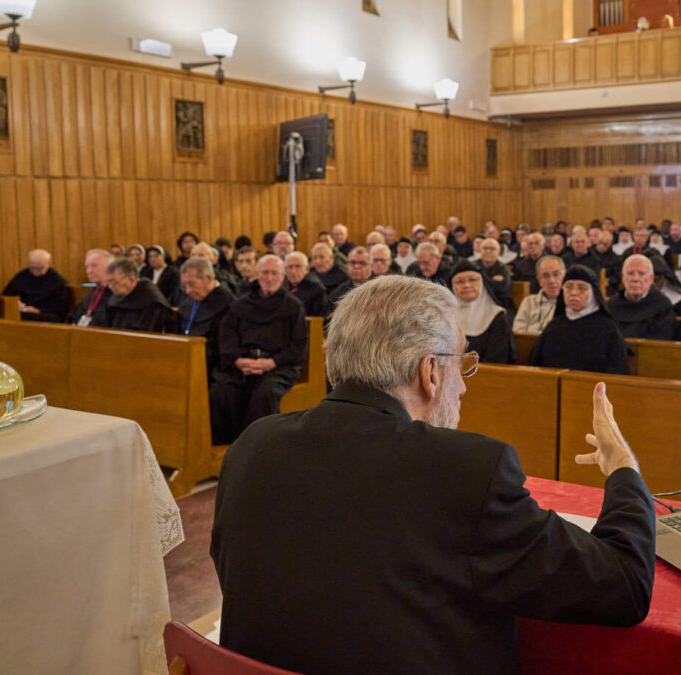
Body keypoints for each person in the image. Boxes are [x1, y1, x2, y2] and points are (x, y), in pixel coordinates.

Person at [211, 274, 654, 674]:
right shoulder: (467, 470)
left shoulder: (252, 445)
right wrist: (622, 469)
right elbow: (625, 584)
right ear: (429, 372)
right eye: (460, 364)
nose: (462, 384)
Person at [209, 255, 309, 444]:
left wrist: (271, 362)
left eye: (274, 273)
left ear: (282, 276)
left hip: (277, 366)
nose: (269, 278)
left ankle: (258, 446)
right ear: (257, 274)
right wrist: (238, 360)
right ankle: (224, 447)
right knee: (220, 392)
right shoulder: (240, 304)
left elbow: (298, 345)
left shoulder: (293, 307)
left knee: (265, 394)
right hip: (242, 363)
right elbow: (227, 335)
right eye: (264, 273)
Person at [529, 266, 628, 374]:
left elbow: (616, 373)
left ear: (593, 294)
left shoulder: (608, 329)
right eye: (569, 287)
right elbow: (536, 367)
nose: (574, 293)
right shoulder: (554, 326)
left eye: (582, 288)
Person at [176, 257, 234, 381]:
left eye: (191, 284)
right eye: (184, 285)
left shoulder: (228, 304)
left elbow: (225, 346)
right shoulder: (190, 300)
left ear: (207, 279)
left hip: (214, 366)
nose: (187, 291)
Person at [450, 260, 515, 364]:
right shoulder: (445, 315)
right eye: (460, 281)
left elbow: (498, 359)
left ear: (482, 284)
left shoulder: (497, 316)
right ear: (453, 287)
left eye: (472, 280)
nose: (466, 285)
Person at [606, 254, 675, 340]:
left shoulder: (663, 306)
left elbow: (661, 343)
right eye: (630, 273)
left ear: (651, 278)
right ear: (623, 278)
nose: (635, 278)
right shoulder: (611, 305)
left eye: (641, 273)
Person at [103, 258, 171, 332]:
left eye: (113, 282)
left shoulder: (151, 300)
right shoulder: (116, 299)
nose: (110, 286)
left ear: (132, 279)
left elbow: (147, 334)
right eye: (108, 282)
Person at [1, 249, 69, 322]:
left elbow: (59, 309)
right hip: (23, 312)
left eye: (39, 268)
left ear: (48, 264)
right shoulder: (22, 276)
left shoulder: (58, 282)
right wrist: (16, 304)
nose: (35, 272)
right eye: (32, 268)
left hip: (45, 315)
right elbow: (6, 295)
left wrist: (38, 311)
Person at [513, 255, 564, 335]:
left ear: (564, 276)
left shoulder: (570, 304)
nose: (552, 280)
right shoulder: (528, 302)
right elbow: (518, 333)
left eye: (556, 274)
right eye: (546, 276)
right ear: (539, 280)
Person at [67, 249, 114, 327]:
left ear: (110, 268)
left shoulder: (116, 294)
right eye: (87, 267)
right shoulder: (93, 292)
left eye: (94, 266)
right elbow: (74, 316)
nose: (89, 271)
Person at [284, 251, 329, 318]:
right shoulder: (280, 287)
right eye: (290, 267)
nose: (293, 271)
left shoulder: (317, 291)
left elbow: (320, 320)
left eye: (298, 266)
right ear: (285, 270)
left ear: (307, 269)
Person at [477, 238, 513, 306]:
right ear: (480, 250)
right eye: (485, 248)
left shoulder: (503, 268)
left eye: (492, 249)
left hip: (497, 304)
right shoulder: (473, 265)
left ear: (498, 252)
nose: (488, 251)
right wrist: (491, 280)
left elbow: (502, 288)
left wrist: (481, 280)